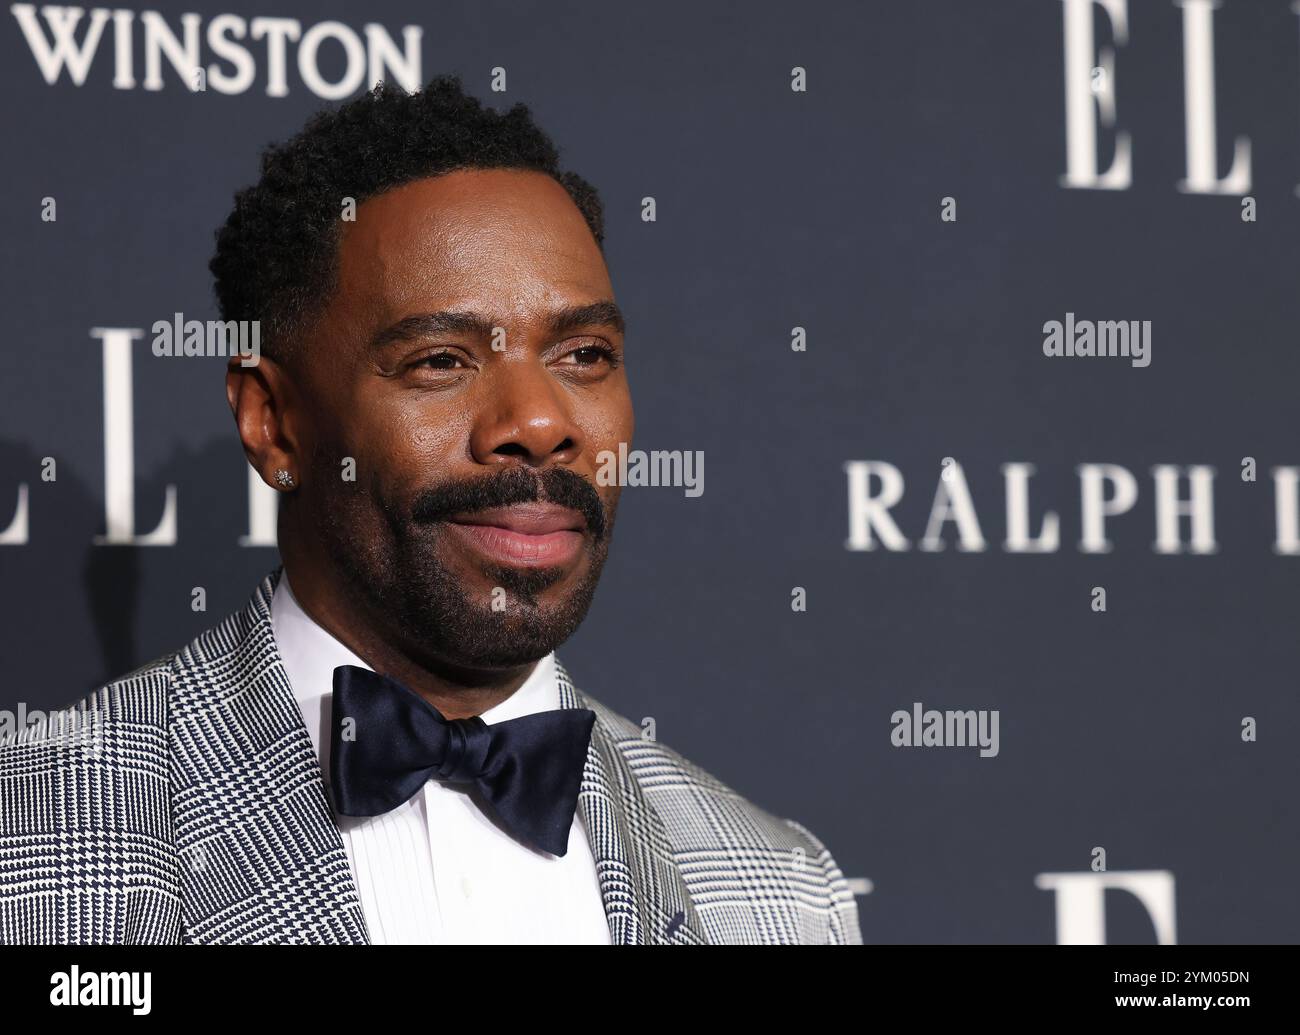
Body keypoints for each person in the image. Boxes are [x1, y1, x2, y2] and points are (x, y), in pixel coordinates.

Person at [0, 75, 861, 945]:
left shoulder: (782, 893)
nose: (539, 422)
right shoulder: (33, 844)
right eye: (442, 361)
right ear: (274, 422)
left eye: (584, 354)